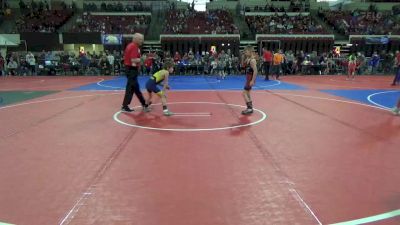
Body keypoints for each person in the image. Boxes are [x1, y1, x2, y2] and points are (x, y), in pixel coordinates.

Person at [121, 33, 149, 112]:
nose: (142, 41)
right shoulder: (134, 46)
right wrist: (143, 59)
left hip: (131, 69)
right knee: (130, 88)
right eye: (140, 39)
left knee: (135, 88)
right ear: (135, 39)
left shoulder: (131, 45)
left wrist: (140, 60)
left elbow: (132, 59)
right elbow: (133, 60)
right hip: (131, 70)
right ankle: (125, 106)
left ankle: (143, 103)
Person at [241, 46, 257, 115]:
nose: (245, 53)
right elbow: (243, 66)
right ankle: (250, 108)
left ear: (250, 51)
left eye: (246, 52)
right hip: (248, 78)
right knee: (247, 93)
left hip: (250, 78)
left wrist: (252, 80)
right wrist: (242, 58)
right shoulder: (248, 59)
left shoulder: (252, 60)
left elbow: (255, 71)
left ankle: (249, 108)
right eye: (244, 52)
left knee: (244, 93)